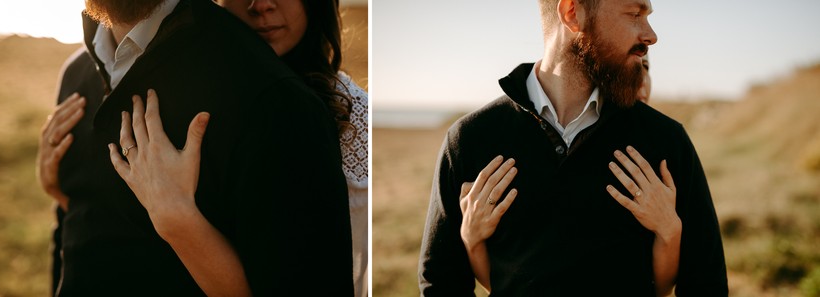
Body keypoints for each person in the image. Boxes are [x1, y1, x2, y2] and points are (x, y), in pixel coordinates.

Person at [36, 0, 354, 295]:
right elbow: (79, 243)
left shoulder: (275, 101)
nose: (261, 5)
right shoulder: (76, 74)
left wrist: (179, 222)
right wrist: (59, 192)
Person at [418, 0, 728, 296]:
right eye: (635, 14)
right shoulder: (469, 139)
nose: (650, 35)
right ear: (572, 13)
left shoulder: (666, 140)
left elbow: (706, 284)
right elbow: (441, 283)